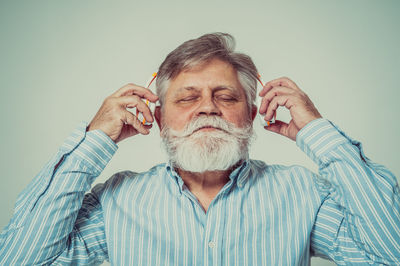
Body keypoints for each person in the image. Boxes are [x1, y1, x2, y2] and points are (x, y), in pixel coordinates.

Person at [0, 33, 399, 265]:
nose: (208, 107)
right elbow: (20, 260)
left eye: (225, 96)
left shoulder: (303, 193)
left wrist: (317, 131)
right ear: (157, 119)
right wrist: (94, 141)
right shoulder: (117, 202)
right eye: (187, 98)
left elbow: (389, 254)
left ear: (251, 114)